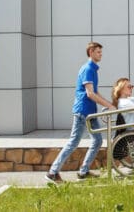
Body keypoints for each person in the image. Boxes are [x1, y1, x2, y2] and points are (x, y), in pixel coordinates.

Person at [45, 42, 115, 183]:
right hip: (82, 111)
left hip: (90, 112)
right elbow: (90, 94)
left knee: (97, 140)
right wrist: (108, 105)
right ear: (90, 52)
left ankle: (83, 172)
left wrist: (109, 104)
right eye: (98, 52)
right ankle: (52, 172)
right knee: (73, 142)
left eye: (101, 52)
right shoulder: (88, 69)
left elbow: (95, 92)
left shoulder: (93, 70)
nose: (100, 54)